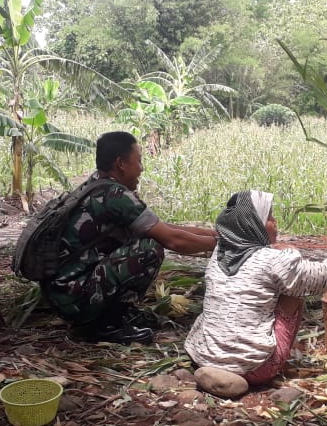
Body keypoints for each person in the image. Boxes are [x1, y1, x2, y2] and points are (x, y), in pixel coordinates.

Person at [45, 131, 217, 344]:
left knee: (150, 239)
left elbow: (161, 226)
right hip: (75, 299)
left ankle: (115, 314)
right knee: (149, 248)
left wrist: (214, 234)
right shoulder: (115, 196)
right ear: (121, 164)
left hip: (65, 294)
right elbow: (172, 240)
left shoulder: (96, 185)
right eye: (139, 161)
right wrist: (222, 244)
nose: (141, 168)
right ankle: (107, 325)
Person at [185, 190, 327, 387]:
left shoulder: (220, 252)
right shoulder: (273, 260)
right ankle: (276, 359)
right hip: (254, 368)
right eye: (269, 216)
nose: (275, 222)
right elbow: (319, 279)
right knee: (295, 292)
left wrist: (288, 252)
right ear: (253, 224)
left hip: (203, 357)